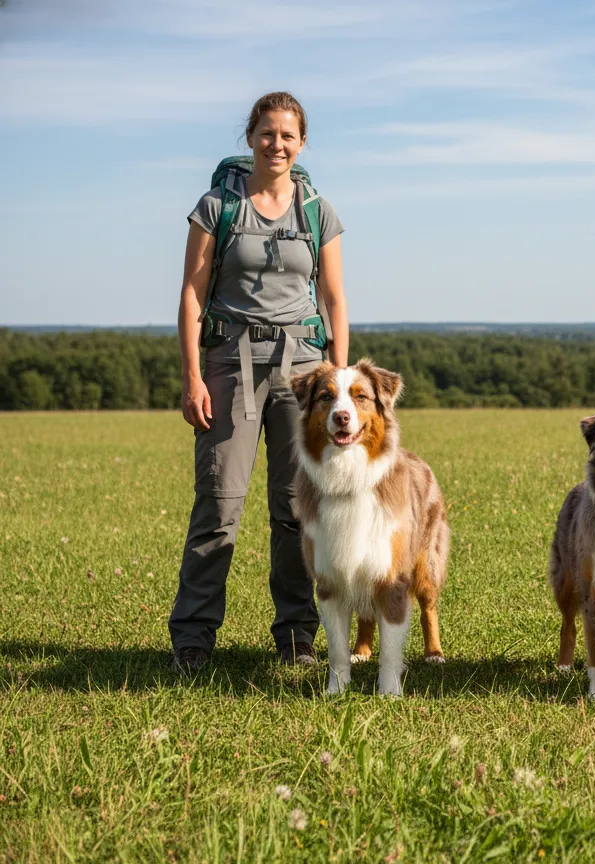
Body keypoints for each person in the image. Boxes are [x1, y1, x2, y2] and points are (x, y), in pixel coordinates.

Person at [169, 91, 348, 673]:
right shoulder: (216, 205)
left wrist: (339, 385)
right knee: (218, 505)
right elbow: (193, 294)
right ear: (250, 138)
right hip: (229, 365)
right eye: (267, 133)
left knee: (297, 509)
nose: (276, 144)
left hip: (304, 373)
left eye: (288, 135)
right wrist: (193, 375)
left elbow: (335, 300)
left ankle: (297, 636)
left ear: (302, 145)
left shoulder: (317, 210)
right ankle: (194, 639)